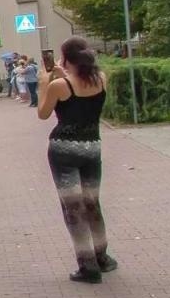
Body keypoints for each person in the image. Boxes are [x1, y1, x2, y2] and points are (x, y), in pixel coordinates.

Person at [37, 38, 113, 283]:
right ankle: (102, 257)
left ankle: (87, 265)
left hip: (63, 151)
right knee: (92, 203)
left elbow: (43, 113)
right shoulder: (101, 78)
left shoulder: (60, 85)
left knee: (73, 208)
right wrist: (65, 73)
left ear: (67, 59)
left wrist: (43, 84)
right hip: (92, 147)